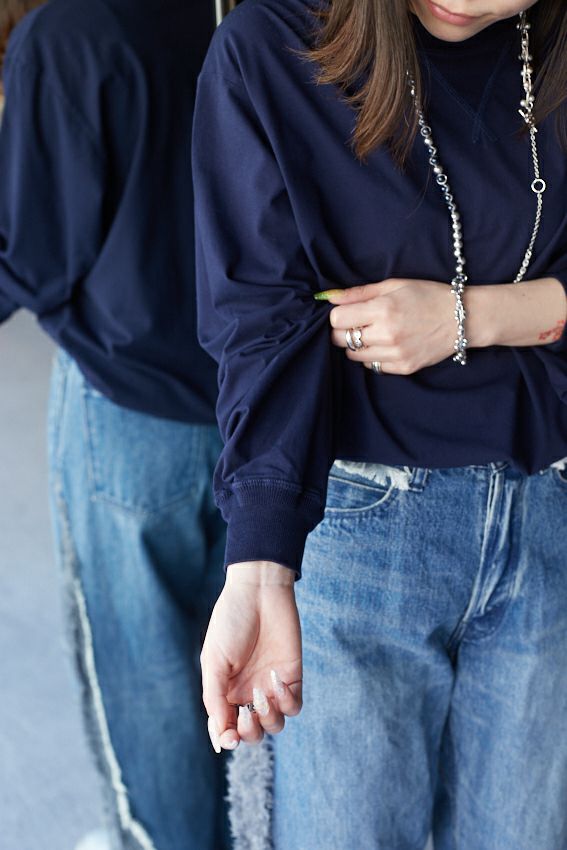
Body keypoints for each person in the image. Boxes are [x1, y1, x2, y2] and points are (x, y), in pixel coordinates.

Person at [193, 0, 567, 847]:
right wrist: (259, 567)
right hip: (360, 523)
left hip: (549, 508)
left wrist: (466, 318)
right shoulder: (273, 47)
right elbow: (259, 327)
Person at [0, 2, 231, 849]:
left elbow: (34, 255)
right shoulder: (256, 16)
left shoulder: (67, 34)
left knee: (144, 678)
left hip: (128, 414)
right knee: (242, 664)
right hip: (259, 401)